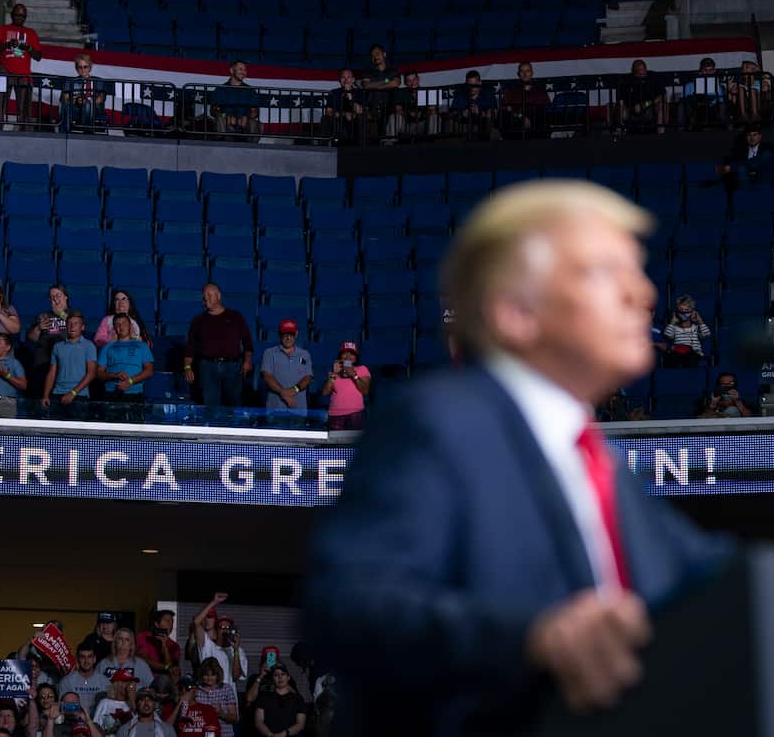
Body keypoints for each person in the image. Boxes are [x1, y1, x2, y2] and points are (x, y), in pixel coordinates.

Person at [305, 180, 730, 731]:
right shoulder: (438, 421)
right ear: (514, 312)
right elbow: (346, 608)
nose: (643, 294)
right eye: (604, 271)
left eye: (638, 270)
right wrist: (534, 638)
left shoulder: (599, 463)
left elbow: (712, 584)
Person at [182, 284, 254, 407]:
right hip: (207, 368)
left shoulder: (236, 317)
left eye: (209, 295)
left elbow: (247, 343)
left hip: (232, 367)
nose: (206, 299)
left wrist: (247, 361)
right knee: (210, 406)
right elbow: (190, 347)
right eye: (204, 296)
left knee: (233, 405)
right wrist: (187, 367)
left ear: (219, 296)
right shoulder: (198, 321)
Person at [0, 5, 43, 130]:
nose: (20, 18)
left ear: (25, 18)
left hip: (23, 74)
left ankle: (26, 136)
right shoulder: (2, 29)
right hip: (4, 69)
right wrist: (7, 44)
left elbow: (38, 56)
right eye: (17, 15)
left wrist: (28, 48)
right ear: (12, 15)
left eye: (22, 16)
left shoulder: (31, 33)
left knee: (25, 109)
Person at [42, 311, 97, 417]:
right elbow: (52, 373)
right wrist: (45, 395)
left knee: (77, 432)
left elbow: (92, 373)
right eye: (70, 323)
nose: (72, 326)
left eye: (76, 323)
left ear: (82, 327)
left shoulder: (89, 346)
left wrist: (73, 393)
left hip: (79, 396)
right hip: (57, 395)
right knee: (55, 431)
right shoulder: (58, 346)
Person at [95, 314, 155, 404]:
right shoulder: (107, 347)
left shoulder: (142, 345)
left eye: (124, 323)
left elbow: (149, 370)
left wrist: (130, 381)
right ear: (114, 328)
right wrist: (114, 375)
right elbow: (99, 373)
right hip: (111, 393)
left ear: (130, 326)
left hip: (134, 394)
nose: (121, 326)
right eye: (117, 324)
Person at [259, 319, 313, 413]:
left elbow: (308, 377)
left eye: (291, 334)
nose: (288, 337)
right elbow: (267, 376)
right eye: (285, 334)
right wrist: (283, 393)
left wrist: (294, 390)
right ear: (280, 334)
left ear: (296, 334)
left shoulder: (305, 355)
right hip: (275, 409)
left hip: (298, 409)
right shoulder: (269, 353)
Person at [25, 285, 70, 398]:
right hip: (43, 362)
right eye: (51, 297)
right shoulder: (43, 316)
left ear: (66, 297)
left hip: (65, 365)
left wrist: (61, 314)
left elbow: (76, 328)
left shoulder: (74, 315)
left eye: (58, 295)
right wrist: (38, 328)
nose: (55, 299)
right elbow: (31, 339)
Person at [320, 341, 369, 430]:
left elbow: (365, 391)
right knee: (335, 443)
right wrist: (334, 374)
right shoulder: (334, 371)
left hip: (356, 413)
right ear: (340, 356)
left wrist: (354, 375)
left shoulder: (362, 369)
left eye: (352, 354)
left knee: (355, 443)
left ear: (356, 357)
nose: (348, 357)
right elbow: (325, 393)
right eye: (345, 353)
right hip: (335, 414)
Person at [716, 123, 774, 194]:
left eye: (755, 135)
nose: (752, 138)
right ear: (746, 137)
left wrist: (731, 168)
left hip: (763, 183)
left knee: (766, 156)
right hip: (745, 185)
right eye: (749, 135)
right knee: (741, 169)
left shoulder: (768, 148)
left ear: (760, 137)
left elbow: (758, 162)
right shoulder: (740, 151)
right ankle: (745, 198)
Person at [250, 663, 304, 737]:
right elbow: (259, 722)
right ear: (272, 679)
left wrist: (282, 734)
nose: (280, 677)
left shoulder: (298, 699)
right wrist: (270, 735)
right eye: (276, 675)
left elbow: (300, 724)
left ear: (288, 678)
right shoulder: (264, 697)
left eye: (283, 674)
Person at [498, 61, 549, 138]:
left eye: (527, 71)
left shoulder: (539, 87)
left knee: (542, 114)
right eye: (522, 71)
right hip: (517, 117)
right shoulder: (512, 88)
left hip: (535, 117)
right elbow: (506, 107)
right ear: (519, 73)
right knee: (503, 115)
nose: (525, 74)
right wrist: (521, 117)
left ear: (532, 73)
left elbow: (544, 104)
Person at [61, 53, 108, 132]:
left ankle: (86, 131)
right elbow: (65, 98)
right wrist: (76, 100)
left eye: (85, 67)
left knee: (88, 105)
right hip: (76, 108)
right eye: (80, 67)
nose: (83, 69)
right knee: (69, 108)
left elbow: (101, 99)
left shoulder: (99, 82)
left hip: (95, 108)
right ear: (76, 69)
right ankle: (70, 134)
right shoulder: (70, 82)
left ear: (90, 67)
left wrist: (88, 101)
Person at [616, 58, 665, 134]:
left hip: (649, 107)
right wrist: (627, 109)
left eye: (644, 72)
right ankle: (620, 131)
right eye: (640, 74)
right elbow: (621, 100)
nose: (643, 75)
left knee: (661, 104)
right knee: (619, 106)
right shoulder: (625, 80)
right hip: (630, 109)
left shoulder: (653, 77)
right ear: (634, 72)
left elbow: (662, 96)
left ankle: (660, 133)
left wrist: (644, 105)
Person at [57, 644, 109, 716]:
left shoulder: (105, 681)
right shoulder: (66, 681)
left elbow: (109, 708)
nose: (86, 661)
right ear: (78, 659)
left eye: (89, 657)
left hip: (98, 723)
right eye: (82, 657)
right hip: (73, 722)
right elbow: (62, 707)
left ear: (94, 659)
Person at [386, 71, 439, 140]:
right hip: (407, 125)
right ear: (405, 83)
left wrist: (422, 113)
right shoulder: (401, 93)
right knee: (394, 117)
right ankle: (390, 141)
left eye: (414, 80)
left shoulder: (427, 91)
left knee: (434, 116)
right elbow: (398, 110)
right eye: (409, 81)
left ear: (418, 79)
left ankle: (432, 141)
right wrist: (408, 113)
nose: (412, 83)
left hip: (422, 124)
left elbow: (432, 110)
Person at [661, 294, 712, 368]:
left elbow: (707, 334)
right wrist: (672, 322)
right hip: (677, 353)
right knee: (671, 357)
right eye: (681, 310)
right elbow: (667, 335)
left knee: (691, 357)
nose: (684, 313)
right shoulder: (674, 328)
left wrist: (700, 321)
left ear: (692, 312)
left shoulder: (696, 327)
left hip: (693, 354)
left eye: (687, 310)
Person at [678, 56, 726, 130]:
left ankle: (722, 128)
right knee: (682, 106)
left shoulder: (717, 85)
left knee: (719, 106)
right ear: (700, 71)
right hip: (694, 108)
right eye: (705, 70)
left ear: (714, 71)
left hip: (711, 109)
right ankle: (681, 130)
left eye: (710, 70)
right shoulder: (689, 85)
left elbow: (720, 101)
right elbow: (683, 100)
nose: (708, 73)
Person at [448, 69, 498, 139]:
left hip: (483, 125)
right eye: (469, 85)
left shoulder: (488, 94)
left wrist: (480, 112)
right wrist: (462, 113)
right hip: (464, 125)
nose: (472, 88)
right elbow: (451, 113)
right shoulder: (460, 94)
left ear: (480, 83)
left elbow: (495, 114)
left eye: (474, 85)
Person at [191, 662, 237, 737]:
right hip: (201, 734)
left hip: (224, 734)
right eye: (206, 675)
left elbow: (234, 718)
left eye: (212, 675)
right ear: (201, 675)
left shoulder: (227, 689)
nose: (209, 678)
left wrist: (221, 713)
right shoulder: (196, 690)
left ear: (218, 675)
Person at [321, 69, 365, 143]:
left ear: (353, 80)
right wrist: (343, 114)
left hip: (354, 121)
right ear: (340, 80)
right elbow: (328, 112)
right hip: (338, 121)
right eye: (343, 77)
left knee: (362, 117)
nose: (346, 80)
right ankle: (326, 145)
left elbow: (359, 111)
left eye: (348, 77)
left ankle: (361, 145)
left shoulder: (359, 92)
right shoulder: (334, 92)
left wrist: (349, 93)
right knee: (325, 118)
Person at [92, 669, 139, 735]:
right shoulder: (105, 703)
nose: (129, 685)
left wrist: (132, 701)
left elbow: (141, 725)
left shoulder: (136, 704)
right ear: (116, 684)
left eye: (130, 681)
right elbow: (95, 728)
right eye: (125, 681)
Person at [135, 611, 180, 679]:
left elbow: (172, 668)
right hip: (144, 679)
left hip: (165, 683)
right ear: (156, 624)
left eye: (172, 621)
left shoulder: (175, 646)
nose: (170, 624)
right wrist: (166, 667)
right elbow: (144, 660)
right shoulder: (143, 637)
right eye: (167, 620)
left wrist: (165, 647)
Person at [727, 58, 771, 125]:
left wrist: (759, 70)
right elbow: (732, 91)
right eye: (745, 68)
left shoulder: (759, 82)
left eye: (748, 67)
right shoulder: (740, 84)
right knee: (741, 89)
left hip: (759, 104)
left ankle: (755, 114)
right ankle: (743, 115)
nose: (746, 69)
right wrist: (729, 85)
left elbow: (767, 88)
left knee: (752, 90)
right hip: (743, 105)